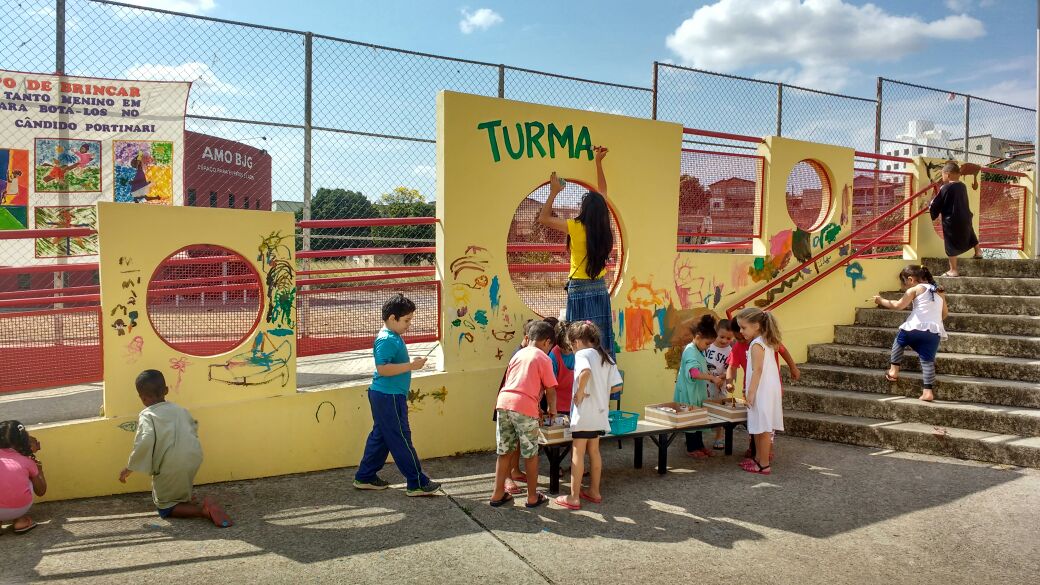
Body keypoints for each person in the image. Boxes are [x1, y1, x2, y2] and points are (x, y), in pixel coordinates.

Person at [354, 294, 441, 496]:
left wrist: (411, 365)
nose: (409, 325)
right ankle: (417, 482)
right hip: (389, 397)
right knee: (401, 437)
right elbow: (383, 369)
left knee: (381, 437)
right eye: (406, 320)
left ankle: (365, 476)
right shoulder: (387, 339)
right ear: (393, 318)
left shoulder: (392, 336)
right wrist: (411, 366)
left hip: (387, 396)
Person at [119, 370, 231, 527]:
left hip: (171, 463)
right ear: (166, 390)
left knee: (165, 507)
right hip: (193, 456)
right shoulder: (180, 409)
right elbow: (193, 426)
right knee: (178, 479)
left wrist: (131, 467)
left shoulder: (147, 415)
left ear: (142, 398)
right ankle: (183, 499)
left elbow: (145, 440)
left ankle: (202, 511)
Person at [536, 146, 616, 357]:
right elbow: (602, 195)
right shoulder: (604, 229)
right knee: (599, 338)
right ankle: (602, 373)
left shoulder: (575, 226)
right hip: (599, 288)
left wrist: (554, 191)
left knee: (578, 339)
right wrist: (598, 163)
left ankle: (580, 374)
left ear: (584, 209)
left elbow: (543, 218)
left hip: (579, 289)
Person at [554, 321, 622, 510]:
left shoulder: (582, 354)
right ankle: (594, 491)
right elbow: (618, 386)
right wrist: (602, 392)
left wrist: (580, 392)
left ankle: (574, 497)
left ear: (576, 342)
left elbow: (585, 372)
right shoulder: (605, 356)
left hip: (584, 413)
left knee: (577, 453)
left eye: (571, 345)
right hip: (600, 413)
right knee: (594, 452)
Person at [489, 321, 557, 509]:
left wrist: (535, 407)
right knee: (531, 454)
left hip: (503, 403)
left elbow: (516, 384)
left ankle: (497, 494)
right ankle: (532, 497)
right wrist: (552, 410)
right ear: (547, 342)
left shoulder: (518, 354)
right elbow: (551, 390)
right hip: (524, 407)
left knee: (504, 452)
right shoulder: (544, 358)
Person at [725, 317, 799, 460]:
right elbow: (731, 367)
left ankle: (765, 453)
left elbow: (782, 351)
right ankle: (756, 451)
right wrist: (729, 382)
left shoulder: (764, 342)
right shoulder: (739, 346)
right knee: (755, 421)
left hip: (766, 389)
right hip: (751, 389)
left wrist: (793, 367)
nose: (742, 339)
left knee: (766, 423)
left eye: (743, 332)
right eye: (739, 337)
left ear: (755, 328)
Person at [874, 265, 948, 402]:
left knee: (899, 341)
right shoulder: (939, 291)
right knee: (927, 361)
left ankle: (893, 371)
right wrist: (931, 321)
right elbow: (944, 314)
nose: (903, 286)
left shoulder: (915, 289)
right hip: (934, 332)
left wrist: (881, 300)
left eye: (904, 283)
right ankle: (928, 392)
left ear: (911, 279)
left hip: (914, 327)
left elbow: (898, 305)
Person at [735, 308, 784, 476]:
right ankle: (757, 459)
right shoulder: (764, 341)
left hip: (762, 391)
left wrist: (750, 393)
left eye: (743, 327)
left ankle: (763, 464)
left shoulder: (757, 344)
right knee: (757, 425)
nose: (741, 331)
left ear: (756, 326)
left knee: (763, 428)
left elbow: (758, 370)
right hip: (765, 390)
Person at [675, 315, 724, 459]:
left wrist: (709, 374)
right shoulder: (690, 350)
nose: (708, 347)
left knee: (698, 420)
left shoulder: (698, 350)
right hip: (688, 394)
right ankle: (692, 448)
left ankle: (700, 445)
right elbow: (694, 373)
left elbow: (700, 369)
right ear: (698, 336)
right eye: (707, 343)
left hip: (696, 392)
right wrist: (712, 378)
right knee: (691, 421)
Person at [496, 319, 536, 496]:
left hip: (518, 402)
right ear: (527, 338)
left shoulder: (527, 352)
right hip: (510, 402)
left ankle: (515, 471)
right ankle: (507, 478)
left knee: (516, 441)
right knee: (508, 446)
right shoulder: (520, 354)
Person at [929, 161, 981, 277]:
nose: (942, 178)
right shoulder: (962, 186)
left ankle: (953, 270)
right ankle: (978, 251)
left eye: (942, 175)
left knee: (950, 244)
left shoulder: (945, 188)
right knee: (970, 233)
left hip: (951, 220)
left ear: (948, 175)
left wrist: (931, 208)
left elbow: (937, 203)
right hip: (965, 217)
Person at [0, 421, 46, 534]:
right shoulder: (28, 461)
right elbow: (41, 491)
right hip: (20, 509)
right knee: (27, 477)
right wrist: (39, 470)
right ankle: (21, 521)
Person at [705, 318, 735, 450]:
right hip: (705, 383)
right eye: (721, 337)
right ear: (715, 333)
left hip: (719, 385)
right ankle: (695, 436)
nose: (724, 341)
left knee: (719, 411)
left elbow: (730, 370)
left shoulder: (730, 351)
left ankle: (719, 437)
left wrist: (721, 378)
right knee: (699, 407)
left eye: (728, 338)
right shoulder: (708, 345)